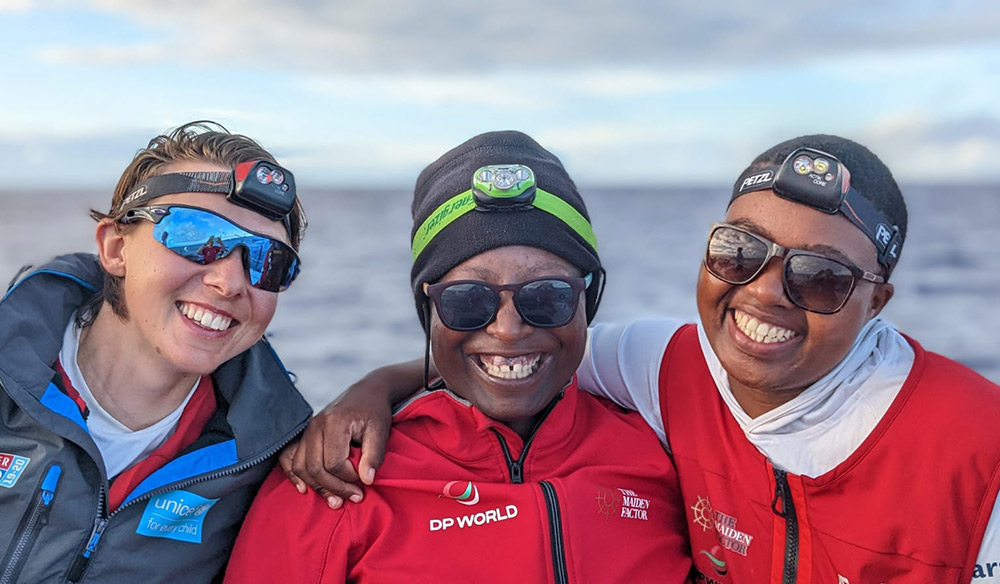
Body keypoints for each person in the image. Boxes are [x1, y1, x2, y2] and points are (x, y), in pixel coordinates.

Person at [282, 135, 1000, 583]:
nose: (765, 293)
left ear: (877, 302)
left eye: (821, 276)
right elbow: (513, 358)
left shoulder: (978, 449)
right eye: (740, 252)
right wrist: (373, 389)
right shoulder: (661, 364)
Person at [225, 131, 692, 583]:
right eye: (468, 300)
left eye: (546, 296)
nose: (508, 329)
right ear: (428, 311)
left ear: (587, 303)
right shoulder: (333, 481)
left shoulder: (663, 453)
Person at [0, 121, 313, 583]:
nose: (228, 283)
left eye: (267, 261)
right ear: (114, 247)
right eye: (195, 235)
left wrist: (380, 387)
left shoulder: (273, 462)